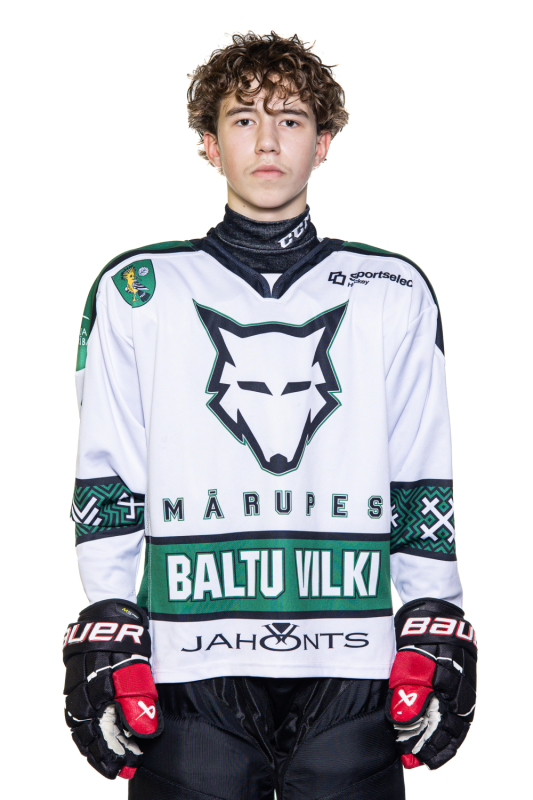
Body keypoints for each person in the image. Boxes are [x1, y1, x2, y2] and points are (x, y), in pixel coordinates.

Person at [63, 31, 477, 800]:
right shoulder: (139, 289)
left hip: (352, 660)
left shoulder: (391, 290)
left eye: (289, 120)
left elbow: (420, 468)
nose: (266, 140)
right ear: (208, 144)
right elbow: (108, 468)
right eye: (242, 118)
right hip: (187, 661)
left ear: (322, 144)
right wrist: (108, 614)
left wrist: (433, 610)